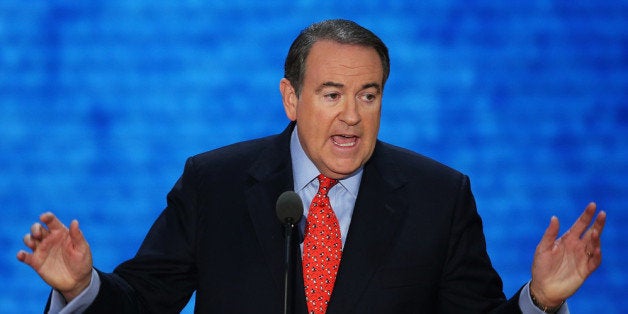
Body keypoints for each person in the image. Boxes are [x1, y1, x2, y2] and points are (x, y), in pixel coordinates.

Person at [18, 19, 606, 314]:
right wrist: (80, 289)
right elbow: (144, 301)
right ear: (291, 99)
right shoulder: (215, 184)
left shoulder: (439, 197)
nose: (352, 116)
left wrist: (541, 302)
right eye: (331, 94)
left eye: (369, 95)